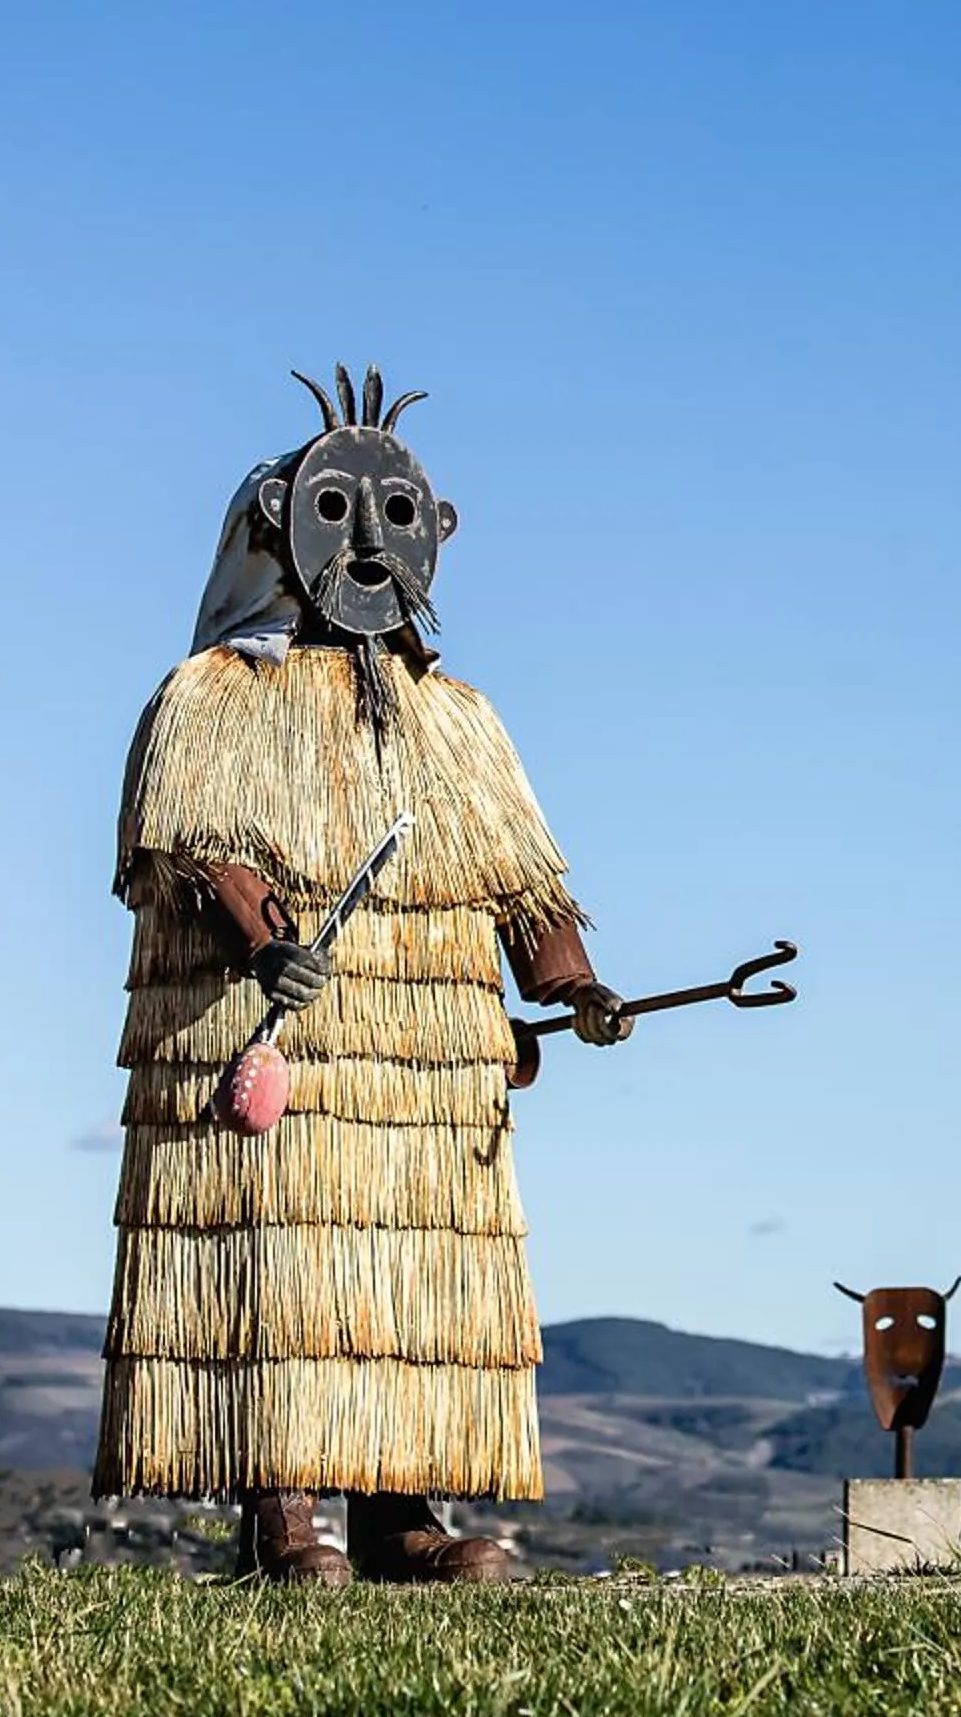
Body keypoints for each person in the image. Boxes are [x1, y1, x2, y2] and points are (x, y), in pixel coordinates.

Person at [94, 365, 631, 1584]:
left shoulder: (461, 723)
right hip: (282, 1049)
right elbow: (189, 839)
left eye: (395, 517)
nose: (373, 547)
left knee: (412, 1279)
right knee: (276, 1264)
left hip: (421, 1073)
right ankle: (281, 1512)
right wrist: (255, 931)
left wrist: (574, 982)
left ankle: (400, 1514)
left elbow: (521, 876)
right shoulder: (213, 698)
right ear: (283, 530)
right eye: (344, 515)